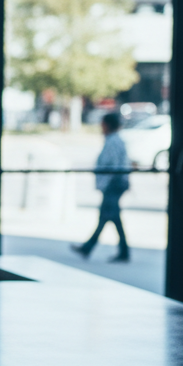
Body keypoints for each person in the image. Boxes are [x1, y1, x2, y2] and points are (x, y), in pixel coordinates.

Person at [72, 112, 131, 263]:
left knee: (106, 216)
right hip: (115, 183)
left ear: (108, 125)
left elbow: (113, 165)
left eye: (103, 124)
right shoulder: (114, 140)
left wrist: (105, 182)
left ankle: (89, 247)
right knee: (111, 217)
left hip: (113, 184)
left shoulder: (113, 142)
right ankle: (122, 251)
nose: (101, 127)